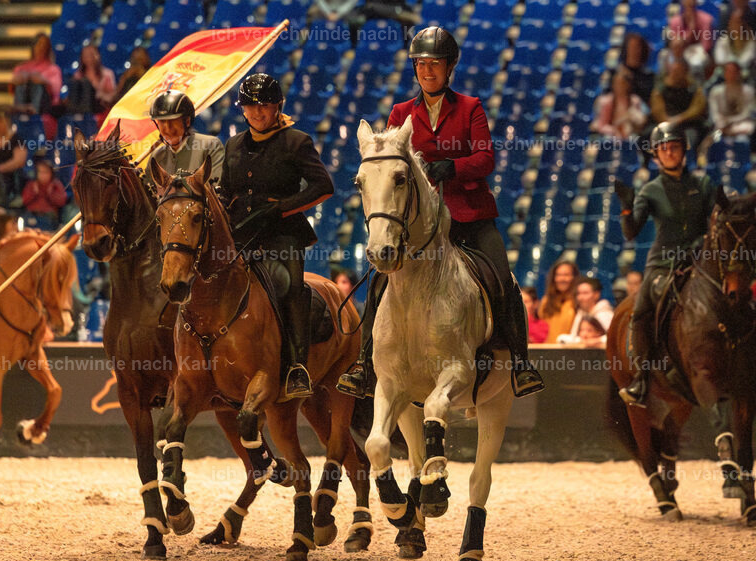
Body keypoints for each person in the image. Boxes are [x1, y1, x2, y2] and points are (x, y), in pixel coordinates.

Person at [337, 27, 544, 399]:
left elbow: (485, 158)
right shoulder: (401, 112)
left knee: (502, 277)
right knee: (381, 281)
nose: (427, 71)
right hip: (418, 224)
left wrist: (453, 166)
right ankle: (364, 362)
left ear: (449, 68)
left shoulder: (470, 107)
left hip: (469, 215)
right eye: (421, 64)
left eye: (435, 64)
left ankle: (520, 362)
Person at [617, 122, 756, 404]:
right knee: (642, 308)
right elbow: (631, 231)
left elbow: (718, 217)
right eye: (663, 148)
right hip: (663, 262)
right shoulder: (650, 190)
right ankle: (643, 378)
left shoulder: (704, 184)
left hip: (702, 258)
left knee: (748, 306)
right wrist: (626, 206)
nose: (669, 152)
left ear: (684, 150)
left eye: (674, 147)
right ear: (656, 155)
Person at [221, 73, 335, 399]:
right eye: (250, 107)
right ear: (242, 109)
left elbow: (323, 186)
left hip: (282, 235)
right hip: (241, 235)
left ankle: (298, 366)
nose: (257, 113)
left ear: (277, 107)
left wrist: (282, 208)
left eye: (264, 107)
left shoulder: (296, 142)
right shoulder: (232, 145)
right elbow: (225, 192)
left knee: (289, 286)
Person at [142, 90, 225, 190]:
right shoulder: (156, 157)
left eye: (173, 121)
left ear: (187, 121)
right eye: (162, 121)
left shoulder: (210, 146)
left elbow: (215, 190)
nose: (168, 129)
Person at [649, 60, 708, 152]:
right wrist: (668, 122)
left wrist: (679, 119)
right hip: (665, 124)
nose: (675, 74)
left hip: (688, 125)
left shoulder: (694, 88)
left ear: (685, 72)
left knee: (690, 138)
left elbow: (697, 108)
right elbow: (658, 111)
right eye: (673, 71)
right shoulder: (660, 90)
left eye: (679, 71)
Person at [11, 33, 62, 133]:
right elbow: (13, 84)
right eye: (39, 44)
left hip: (44, 106)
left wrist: (43, 80)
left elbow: (56, 92)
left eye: (44, 45)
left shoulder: (53, 69)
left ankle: (33, 110)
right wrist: (23, 78)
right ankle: (22, 108)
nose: (41, 48)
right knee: (24, 80)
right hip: (24, 99)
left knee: (38, 84)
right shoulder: (22, 67)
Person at [706, 61, 756, 139]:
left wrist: (730, 120)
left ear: (739, 73)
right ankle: (713, 145)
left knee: (745, 133)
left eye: (734, 72)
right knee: (716, 138)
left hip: (741, 124)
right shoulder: (715, 91)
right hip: (721, 125)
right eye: (728, 71)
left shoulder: (748, 91)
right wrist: (720, 122)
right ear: (724, 73)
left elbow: (747, 113)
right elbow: (714, 112)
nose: (731, 75)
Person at [591, 73, 649, 140]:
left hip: (631, 135)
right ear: (613, 84)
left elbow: (642, 121)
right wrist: (614, 130)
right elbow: (602, 126)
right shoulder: (607, 102)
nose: (621, 86)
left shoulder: (635, 101)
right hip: (611, 136)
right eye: (618, 83)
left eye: (624, 83)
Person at [558, 277, 615, 344]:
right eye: (578, 293)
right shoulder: (580, 313)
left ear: (596, 295)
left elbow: (614, 337)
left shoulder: (605, 314)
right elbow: (574, 337)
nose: (580, 297)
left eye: (585, 293)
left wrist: (598, 340)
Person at [0, 110, 27, 197]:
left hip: (11, 177)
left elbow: (19, 161)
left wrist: (0, 168)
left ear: (7, 122)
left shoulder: (16, 139)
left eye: (0, 121)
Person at [67, 45, 117, 119]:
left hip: (99, 105)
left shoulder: (107, 74)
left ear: (97, 55)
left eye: (91, 54)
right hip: (80, 107)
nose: (88, 57)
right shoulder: (78, 75)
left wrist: (99, 93)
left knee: (86, 84)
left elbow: (111, 96)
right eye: (85, 55)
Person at [539, 259, 579, 342]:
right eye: (558, 275)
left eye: (566, 275)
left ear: (574, 277)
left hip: (571, 350)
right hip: (547, 350)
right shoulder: (546, 301)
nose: (562, 279)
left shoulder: (579, 301)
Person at [21, 158, 67, 227]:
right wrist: (34, 192)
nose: (43, 175)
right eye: (40, 172)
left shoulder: (55, 185)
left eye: (45, 172)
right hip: (32, 216)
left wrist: (50, 194)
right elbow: (24, 200)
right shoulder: (32, 184)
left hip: (49, 218)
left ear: (51, 173)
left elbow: (61, 201)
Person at [617, 33, 655, 105]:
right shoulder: (615, 74)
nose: (635, 51)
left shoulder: (650, 77)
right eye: (631, 47)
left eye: (638, 47)